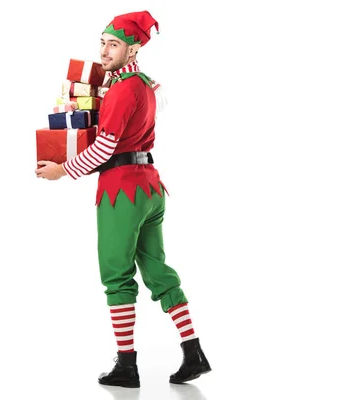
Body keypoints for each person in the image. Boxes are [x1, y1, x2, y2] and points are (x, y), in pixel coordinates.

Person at [35, 10, 211, 388]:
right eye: (102, 42)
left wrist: (61, 170)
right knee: (158, 271)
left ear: (132, 50)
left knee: (116, 276)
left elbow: (103, 149)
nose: (103, 51)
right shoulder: (145, 85)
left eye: (113, 44)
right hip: (150, 185)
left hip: (122, 191)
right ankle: (193, 351)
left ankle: (127, 365)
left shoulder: (123, 89)